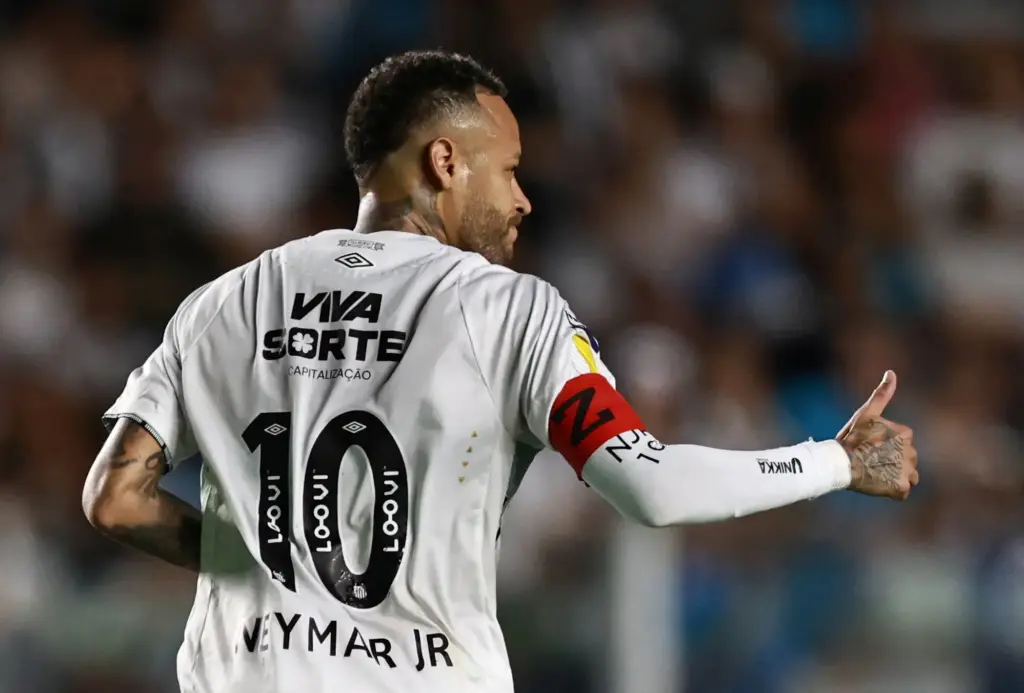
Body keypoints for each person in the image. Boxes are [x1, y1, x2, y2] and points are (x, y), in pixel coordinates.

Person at [81, 50, 919, 693]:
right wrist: (834, 461)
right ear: (446, 162)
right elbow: (651, 485)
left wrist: (255, 565)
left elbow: (114, 497)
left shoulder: (226, 301)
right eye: (510, 170)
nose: (523, 199)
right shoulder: (507, 309)